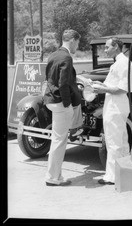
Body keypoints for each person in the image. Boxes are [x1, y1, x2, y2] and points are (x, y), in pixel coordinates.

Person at [93, 37, 132, 185]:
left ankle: (112, 176)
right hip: (115, 104)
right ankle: (123, 171)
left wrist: (102, 89)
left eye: (107, 47)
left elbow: (122, 88)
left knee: (114, 141)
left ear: (116, 47)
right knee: (121, 140)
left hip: (115, 105)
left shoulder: (122, 63)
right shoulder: (119, 63)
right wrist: (97, 84)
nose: (105, 50)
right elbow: (112, 84)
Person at [43, 29, 83, 186]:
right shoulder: (66, 57)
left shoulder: (53, 55)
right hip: (60, 102)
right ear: (72, 40)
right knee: (59, 141)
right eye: (78, 43)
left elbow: (50, 78)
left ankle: (56, 175)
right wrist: (68, 105)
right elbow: (63, 84)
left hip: (51, 100)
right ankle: (52, 177)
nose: (77, 46)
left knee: (57, 139)